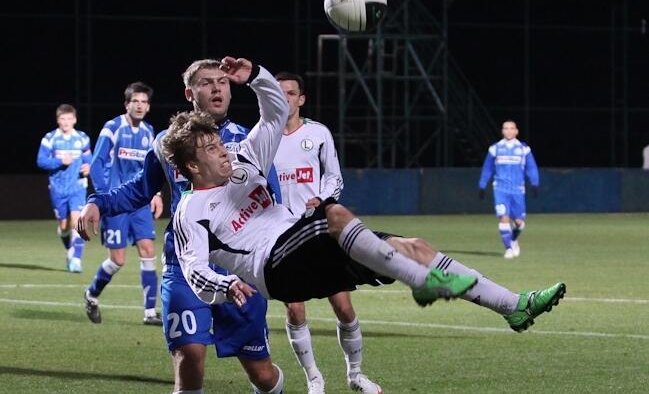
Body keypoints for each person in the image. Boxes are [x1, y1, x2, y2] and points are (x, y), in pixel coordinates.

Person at [143, 60, 564, 344]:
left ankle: (513, 305)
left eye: (219, 142)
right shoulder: (190, 212)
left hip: (301, 248)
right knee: (334, 214)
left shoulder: (245, 159)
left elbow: (273, 111)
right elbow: (195, 270)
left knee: (413, 248)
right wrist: (227, 284)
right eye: (211, 149)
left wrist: (255, 74)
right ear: (192, 166)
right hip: (274, 267)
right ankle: (423, 283)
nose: (222, 150)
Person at [76, 57, 285, 394]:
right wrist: (96, 203)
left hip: (239, 274)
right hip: (184, 269)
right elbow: (137, 189)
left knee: (264, 377)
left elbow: (273, 206)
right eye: (206, 83)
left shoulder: (246, 144)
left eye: (223, 82)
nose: (218, 89)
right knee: (189, 362)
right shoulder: (167, 146)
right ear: (190, 93)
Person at [273, 71, 380, 394]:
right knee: (294, 308)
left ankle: (355, 373)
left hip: (318, 230)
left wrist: (324, 199)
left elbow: (333, 176)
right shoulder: (263, 138)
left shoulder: (318, 133)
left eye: (291, 93)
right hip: (282, 235)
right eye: (279, 93)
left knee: (344, 306)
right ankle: (314, 379)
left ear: (301, 98)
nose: (285, 98)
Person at [83, 82, 163, 325]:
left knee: (149, 251)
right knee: (117, 260)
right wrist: (102, 201)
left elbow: (153, 168)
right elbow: (97, 164)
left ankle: (150, 312)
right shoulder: (113, 128)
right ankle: (91, 294)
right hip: (116, 202)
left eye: (143, 102)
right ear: (126, 104)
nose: (139, 105)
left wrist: (157, 193)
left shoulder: (149, 132)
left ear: (148, 107)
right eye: (135, 101)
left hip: (139, 203)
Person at [36, 103, 92, 273]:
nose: (66, 122)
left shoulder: (82, 138)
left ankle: (76, 259)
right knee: (64, 226)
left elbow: (89, 160)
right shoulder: (50, 138)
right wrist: (60, 161)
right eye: (63, 119)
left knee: (78, 221)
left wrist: (88, 167)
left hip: (78, 186)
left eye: (69, 118)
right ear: (58, 120)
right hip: (58, 188)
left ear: (74, 120)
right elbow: (41, 161)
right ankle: (70, 251)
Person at [478, 120, 540, 259]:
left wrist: (535, 183)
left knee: (519, 223)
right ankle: (508, 249)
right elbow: (487, 168)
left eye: (512, 128)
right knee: (504, 218)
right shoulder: (495, 148)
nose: (509, 130)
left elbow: (531, 167)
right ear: (502, 131)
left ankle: (513, 239)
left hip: (518, 189)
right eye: (506, 128)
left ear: (516, 131)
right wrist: (482, 185)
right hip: (500, 189)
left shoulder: (524, 149)